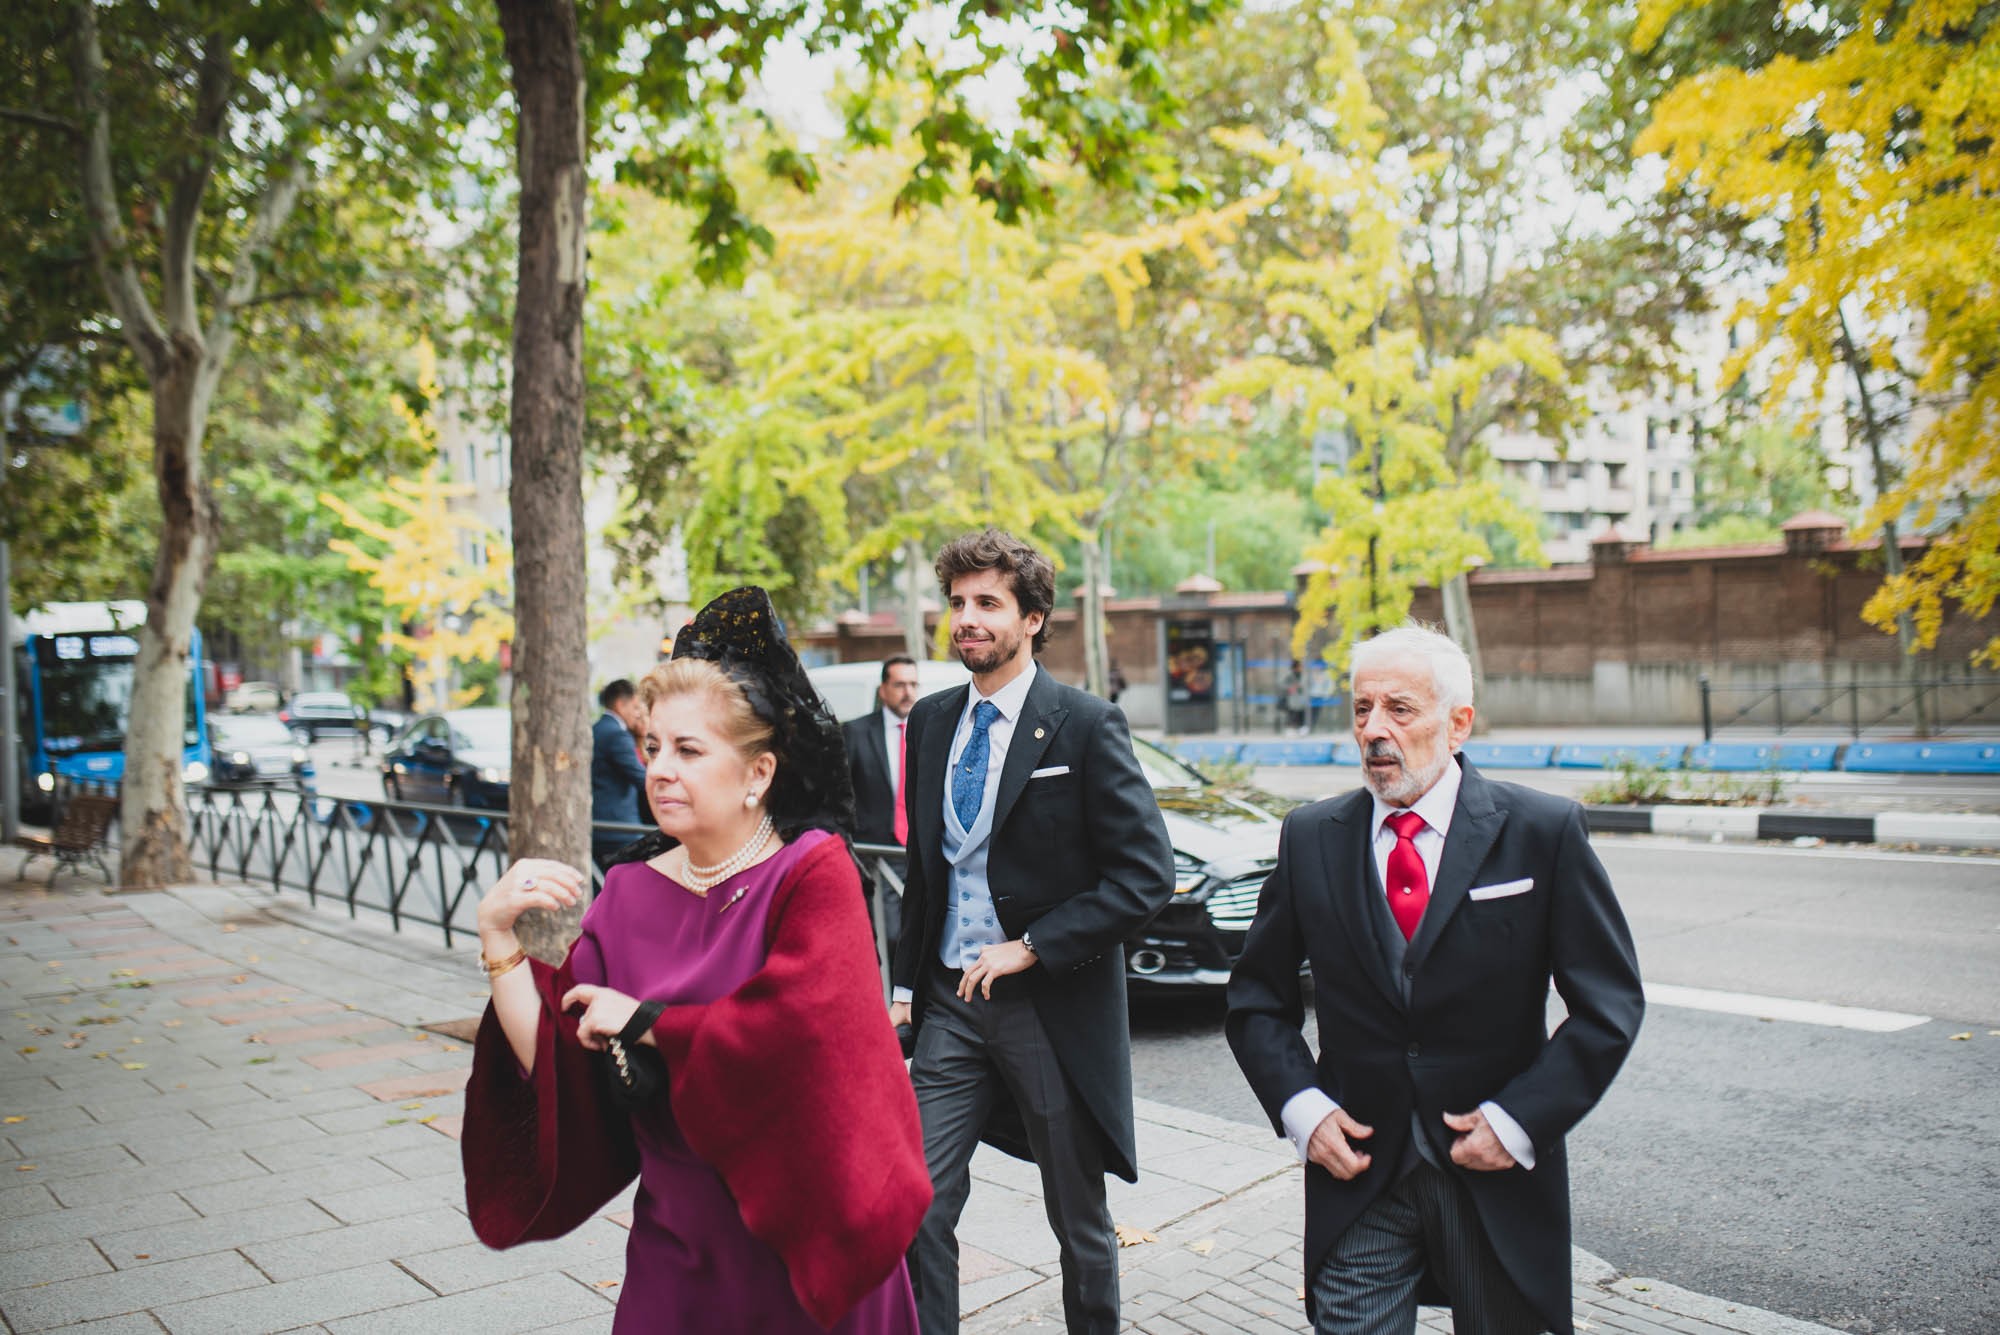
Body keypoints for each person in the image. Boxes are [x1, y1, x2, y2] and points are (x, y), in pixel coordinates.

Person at [463, 587, 932, 1334]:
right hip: (679, 1246)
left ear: (757, 774)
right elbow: (562, 1049)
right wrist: (499, 942)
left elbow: (803, 1035)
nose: (660, 769)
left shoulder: (814, 871)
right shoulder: (627, 893)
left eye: (688, 750)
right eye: (652, 746)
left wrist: (648, 1021)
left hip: (806, 1236)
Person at [1226, 624, 1644, 1335]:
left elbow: (1608, 1003)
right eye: (1362, 709)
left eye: (1399, 709)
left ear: (1458, 723)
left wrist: (1518, 1122)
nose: (1374, 731)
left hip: (1492, 1172)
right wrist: (1303, 1110)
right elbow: (1255, 999)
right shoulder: (1311, 836)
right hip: (1359, 1171)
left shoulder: (1542, 830)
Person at [889, 529, 1174, 1335]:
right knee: (915, 1202)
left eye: (987, 603)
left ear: (1034, 617)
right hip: (948, 1005)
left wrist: (1036, 943)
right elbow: (926, 870)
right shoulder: (933, 721)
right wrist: (907, 991)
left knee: (1077, 1220)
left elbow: (1147, 875)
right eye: (957, 604)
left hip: (1046, 1007)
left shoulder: (1085, 724)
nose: (967, 619)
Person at [844, 656, 920, 849]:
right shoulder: (856, 731)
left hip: (919, 847)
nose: (908, 692)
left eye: (913, 684)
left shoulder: (931, 731)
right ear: (883, 691)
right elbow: (840, 790)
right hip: (872, 849)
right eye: (899, 685)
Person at [590, 679, 649, 868]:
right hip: (619, 829)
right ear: (620, 704)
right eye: (635, 706)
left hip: (603, 825)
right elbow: (642, 779)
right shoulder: (616, 735)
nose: (638, 712)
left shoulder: (598, 728)